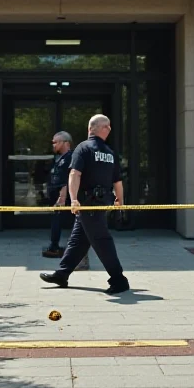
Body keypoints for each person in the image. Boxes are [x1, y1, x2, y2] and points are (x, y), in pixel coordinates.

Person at [39, 114, 129, 294]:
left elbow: (74, 174)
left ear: (89, 129)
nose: (110, 129)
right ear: (99, 128)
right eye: (108, 126)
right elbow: (117, 182)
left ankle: (119, 280)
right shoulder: (110, 153)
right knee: (78, 240)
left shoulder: (83, 148)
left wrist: (73, 199)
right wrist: (120, 201)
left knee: (102, 241)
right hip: (100, 203)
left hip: (88, 204)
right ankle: (62, 274)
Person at [41, 131, 73, 258]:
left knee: (64, 222)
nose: (53, 145)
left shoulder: (70, 158)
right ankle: (55, 246)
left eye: (55, 142)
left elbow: (68, 178)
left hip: (64, 197)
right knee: (57, 221)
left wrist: (62, 196)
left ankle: (56, 247)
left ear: (66, 143)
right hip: (56, 195)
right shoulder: (59, 158)